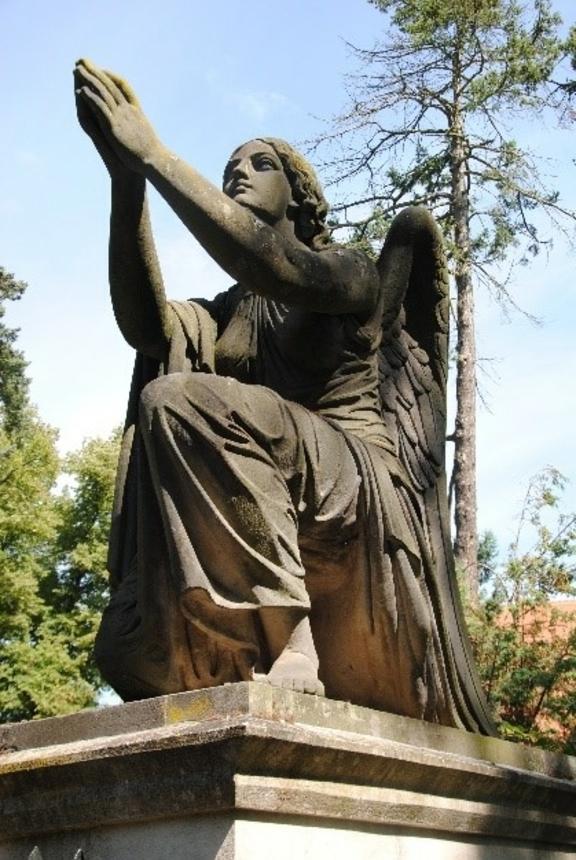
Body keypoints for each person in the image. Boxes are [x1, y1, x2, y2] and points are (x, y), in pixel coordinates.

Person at [74, 59, 494, 733]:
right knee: (168, 404)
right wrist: (128, 184)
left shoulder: (348, 272)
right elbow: (147, 328)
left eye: (259, 163)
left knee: (184, 399)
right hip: (272, 475)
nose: (238, 172)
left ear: (300, 196)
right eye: (230, 166)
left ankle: (295, 642)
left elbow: (268, 263)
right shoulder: (225, 312)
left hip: (356, 481)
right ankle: (242, 638)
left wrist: (155, 155)